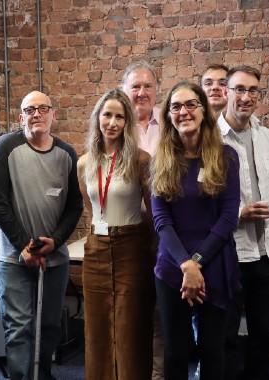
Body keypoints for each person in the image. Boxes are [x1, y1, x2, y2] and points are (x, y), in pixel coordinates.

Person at [0, 90, 83, 380]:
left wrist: (56, 241)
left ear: (53, 115)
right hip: (15, 260)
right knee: (20, 330)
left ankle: (41, 375)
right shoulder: (5, 147)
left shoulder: (66, 154)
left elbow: (75, 205)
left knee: (49, 327)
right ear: (21, 117)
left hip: (54, 260)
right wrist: (23, 247)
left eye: (43, 109)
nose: (37, 114)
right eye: (30, 110)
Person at [150, 81, 241, 380]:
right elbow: (161, 220)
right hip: (173, 268)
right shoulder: (160, 161)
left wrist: (198, 263)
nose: (183, 111)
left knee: (213, 351)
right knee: (176, 352)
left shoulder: (226, 157)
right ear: (168, 116)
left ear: (203, 110)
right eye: (175, 106)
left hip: (214, 265)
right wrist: (186, 265)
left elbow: (228, 218)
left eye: (190, 104)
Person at [77, 89, 155, 380]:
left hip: (132, 248)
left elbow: (152, 211)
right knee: (96, 331)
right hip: (96, 248)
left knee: (130, 331)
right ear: (98, 118)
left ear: (127, 122)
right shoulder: (84, 163)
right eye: (107, 115)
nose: (112, 122)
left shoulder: (141, 160)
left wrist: (152, 250)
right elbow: (91, 207)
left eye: (119, 116)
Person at [218, 65, 269, 380]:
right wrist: (240, 213)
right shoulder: (209, 139)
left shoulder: (266, 136)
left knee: (265, 334)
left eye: (252, 90)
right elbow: (201, 196)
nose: (246, 96)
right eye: (239, 89)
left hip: (267, 255)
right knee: (226, 336)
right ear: (226, 92)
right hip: (230, 254)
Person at [121, 59, 164, 380]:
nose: (141, 92)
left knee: (161, 316)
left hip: (164, 234)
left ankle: (159, 375)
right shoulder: (113, 128)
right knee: (130, 315)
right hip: (127, 235)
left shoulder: (171, 126)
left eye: (147, 85)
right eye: (135, 86)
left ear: (157, 91)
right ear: (125, 91)